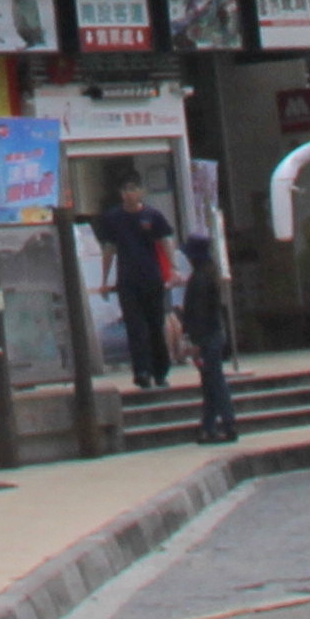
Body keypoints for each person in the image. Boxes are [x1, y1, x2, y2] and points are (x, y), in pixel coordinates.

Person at [88, 173, 179, 392]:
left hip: (151, 278)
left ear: (141, 192)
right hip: (127, 280)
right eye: (125, 190)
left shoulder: (152, 216)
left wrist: (173, 268)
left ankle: (160, 371)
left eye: (133, 189)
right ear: (121, 194)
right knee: (135, 328)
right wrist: (104, 279)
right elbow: (109, 248)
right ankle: (141, 372)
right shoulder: (113, 218)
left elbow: (164, 241)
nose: (129, 194)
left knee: (155, 326)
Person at [178, 235, 239, 444]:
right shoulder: (208, 275)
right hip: (213, 335)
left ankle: (228, 423)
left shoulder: (199, 279)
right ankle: (208, 427)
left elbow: (199, 313)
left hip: (206, 338)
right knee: (210, 382)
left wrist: (194, 341)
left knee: (214, 381)